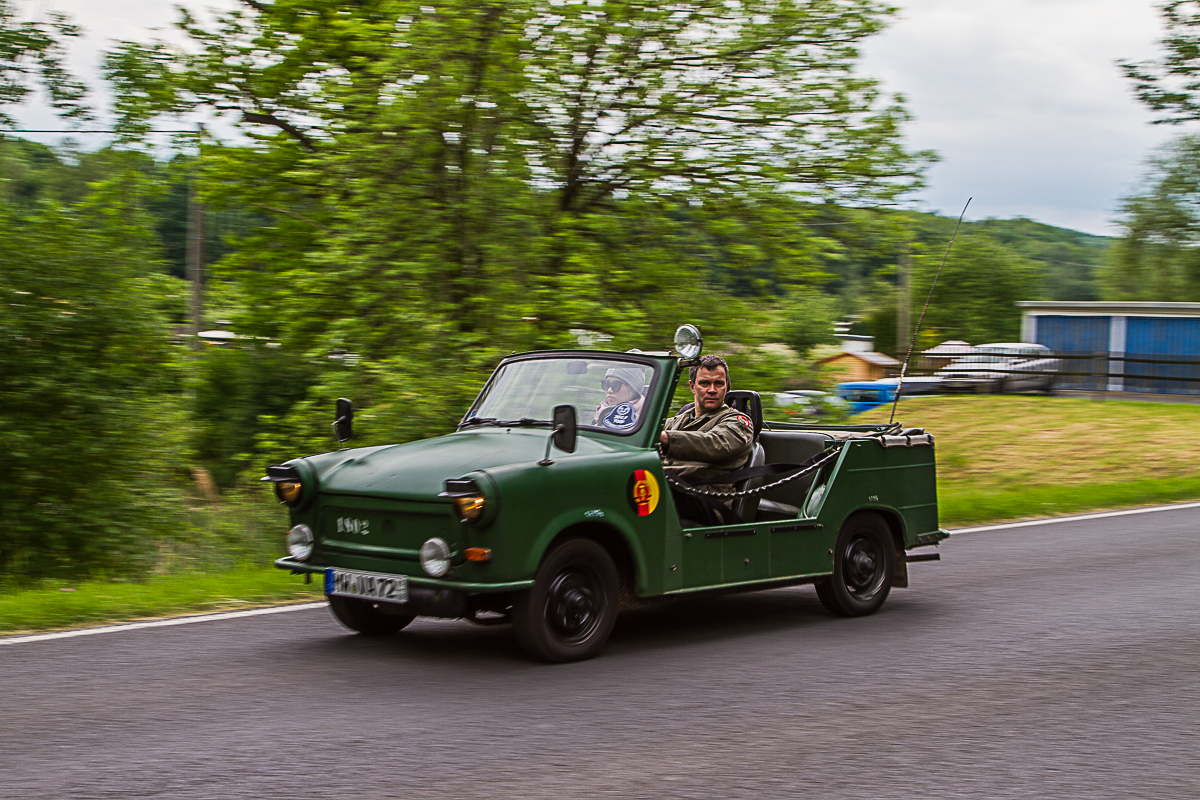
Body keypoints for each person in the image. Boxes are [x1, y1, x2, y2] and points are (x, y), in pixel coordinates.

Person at [659, 354, 754, 525]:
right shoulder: (678, 420)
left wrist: (667, 439)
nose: (712, 389)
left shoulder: (738, 421)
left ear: (726, 388)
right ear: (692, 386)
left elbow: (716, 443)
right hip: (671, 490)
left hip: (707, 501)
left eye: (719, 383)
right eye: (704, 383)